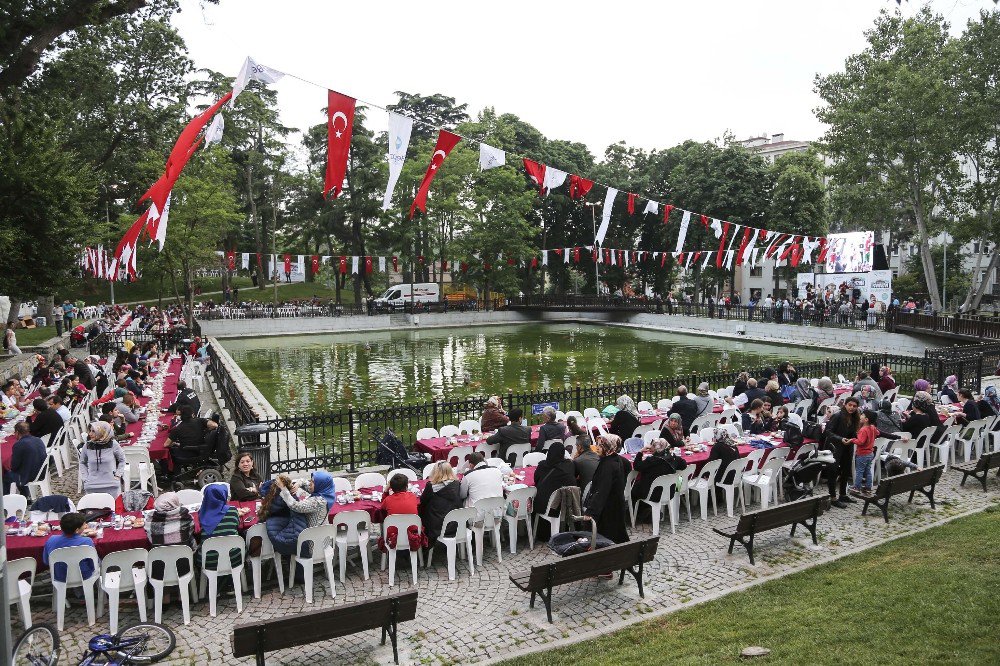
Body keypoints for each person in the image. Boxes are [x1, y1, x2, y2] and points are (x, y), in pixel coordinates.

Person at [582, 435, 629, 545]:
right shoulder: (616, 459)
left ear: (608, 447)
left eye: (601, 445)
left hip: (608, 508)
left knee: (606, 539)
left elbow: (601, 491)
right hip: (616, 504)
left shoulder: (608, 465)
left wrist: (591, 512)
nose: (597, 447)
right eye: (597, 444)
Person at [145, 492, 196, 578]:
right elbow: (191, 532)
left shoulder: (150, 523)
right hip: (184, 567)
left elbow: (150, 539)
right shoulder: (186, 519)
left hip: (159, 570)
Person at [824, 396, 861, 508]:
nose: (852, 408)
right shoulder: (837, 416)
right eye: (850, 405)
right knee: (833, 471)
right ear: (845, 405)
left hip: (847, 447)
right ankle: (832, 497)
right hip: (835, 447)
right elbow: (828, 432)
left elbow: (853, 433)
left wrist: (856, 438)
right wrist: (840, 439)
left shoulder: (855, 417)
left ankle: (843, 495)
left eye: (854, 406)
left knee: (846, 471)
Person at [197, 484, 243, 572]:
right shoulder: (233, 510)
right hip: (234, 558)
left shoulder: (201, 513)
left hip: (208, 562)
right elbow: (237, 526)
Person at [418, 462, 463, 549]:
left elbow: (423, 501)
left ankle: (424, 545)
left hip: (437, 526)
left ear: (436, 472)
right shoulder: (457, 484)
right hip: (456, 524)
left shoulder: (431, 486)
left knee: (422, 510)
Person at [42, 513, 96, 583]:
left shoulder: (51, 540)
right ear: (77, 530)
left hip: (59, 576)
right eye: (84, 525)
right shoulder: (87, 541)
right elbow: (93, 563)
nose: (86, 526)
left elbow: (46, 561)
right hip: (84, 576)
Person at [630, 437, 687, 502]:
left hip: (652, 495)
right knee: (679, 477)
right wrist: (673, 455)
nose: (650, 447)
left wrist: (640, 452)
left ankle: (637, 507)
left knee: (634, 486)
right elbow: (684, 465)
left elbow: (636, 466)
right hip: (670, 493)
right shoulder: (673, 458)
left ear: (655, 448)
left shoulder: (651, 460)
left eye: (651, 445)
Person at [163, 405, 218, 470]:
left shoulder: (178, 428)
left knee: (169, 452)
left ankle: (171, 472)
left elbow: (166, 444)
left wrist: (174, 443)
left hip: (188, 452)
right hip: (201, 448)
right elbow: (214, 425)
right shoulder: (200, 421)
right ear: (192, 414)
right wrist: (207, 430)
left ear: (181, 416)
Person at [80, 421, 126, 497]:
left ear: (101, 432)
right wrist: (85, 478)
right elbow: (82, 462)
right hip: (92, 485)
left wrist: (118, 475)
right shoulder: (87, 446)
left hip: (111, 485)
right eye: (90, 431)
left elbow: (122, 460)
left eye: (93, 431)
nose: (90, 434)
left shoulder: (113, 444)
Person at [533, 441, 577, 516]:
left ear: (549, 452)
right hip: (562, 507)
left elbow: (536, 481)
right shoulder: (569, 465)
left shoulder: (542, 465)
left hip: (543, 507)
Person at [7, 421, 47, 495]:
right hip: (42, 471)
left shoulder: (19, 445)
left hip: (30, 475)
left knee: (6, 476)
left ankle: (10, 498)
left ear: (17, 432)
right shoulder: (38, 439)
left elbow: (14, 466)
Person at [847, 409, 879, 496]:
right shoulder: (873, 427)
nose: (860, 416)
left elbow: (860, 442)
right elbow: (878, 433)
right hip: (870, 453)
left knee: (859, 471)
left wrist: (852, 440)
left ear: (866, 419)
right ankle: (868, 488)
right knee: (868, 471)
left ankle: (857, 487)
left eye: (862, 415)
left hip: (862, 454)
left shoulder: (863, 429)